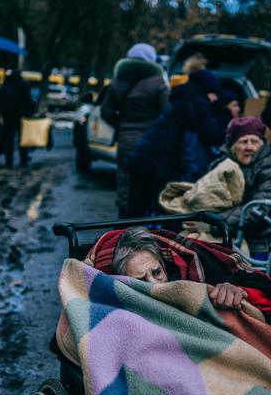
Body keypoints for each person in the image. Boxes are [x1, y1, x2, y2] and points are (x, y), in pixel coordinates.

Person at [127, 69, 225, 216]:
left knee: (135, 210)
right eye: (214, 93)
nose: (215, 98)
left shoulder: (182, 98)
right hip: (160, 166)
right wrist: (230, 134)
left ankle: (120, 237)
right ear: (207, 89)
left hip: (143, 159)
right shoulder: (197, 101)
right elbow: (210, 133)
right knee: (164, 210)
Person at [101, 43, 169, 217]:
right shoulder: (158, 82)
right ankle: (143, 226)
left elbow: (105, 112)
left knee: (124, 180)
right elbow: (166, 113)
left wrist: (121, 125)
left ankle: (123, 222)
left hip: (125, 141)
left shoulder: (117, 82)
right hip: (149, 143)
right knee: (147, 184)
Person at [112, 226, 249, 310]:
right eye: (140, 280)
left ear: (163, 265)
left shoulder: (190, 278)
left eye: (157, 272)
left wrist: (230, 288)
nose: (155, 284)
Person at [206, 117, 271, 255]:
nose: (249, 147)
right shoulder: (220, 165)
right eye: (243, 142)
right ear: (232, 145)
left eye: (254, 142)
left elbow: (255, 210)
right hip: (223, 236)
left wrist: (212, 223)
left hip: (259, 244)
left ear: (261, 145)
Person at [0, 70, 36, 168]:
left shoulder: (5, 86)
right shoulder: (23, 86)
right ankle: (23, 159)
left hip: (8, 116)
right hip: (21, 116)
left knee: (9, 139)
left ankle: (9, 161)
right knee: (23, 139)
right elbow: (28, 100)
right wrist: (32, 111)